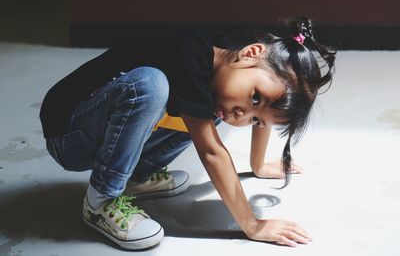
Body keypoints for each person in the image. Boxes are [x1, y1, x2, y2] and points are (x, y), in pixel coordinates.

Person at [39, 16, 336, 250]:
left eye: (255, 120)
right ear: (250, 53)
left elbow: (263, 114)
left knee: (217, 109)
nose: (243, 115)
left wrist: (258, 165)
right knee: (152, 84)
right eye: (255, 97)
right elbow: (211, 151)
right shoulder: (191, 56)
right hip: (69, 132)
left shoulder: (236, 62)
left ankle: (138, 176)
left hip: (104, 133)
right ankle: (101, 200)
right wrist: (252, 224)